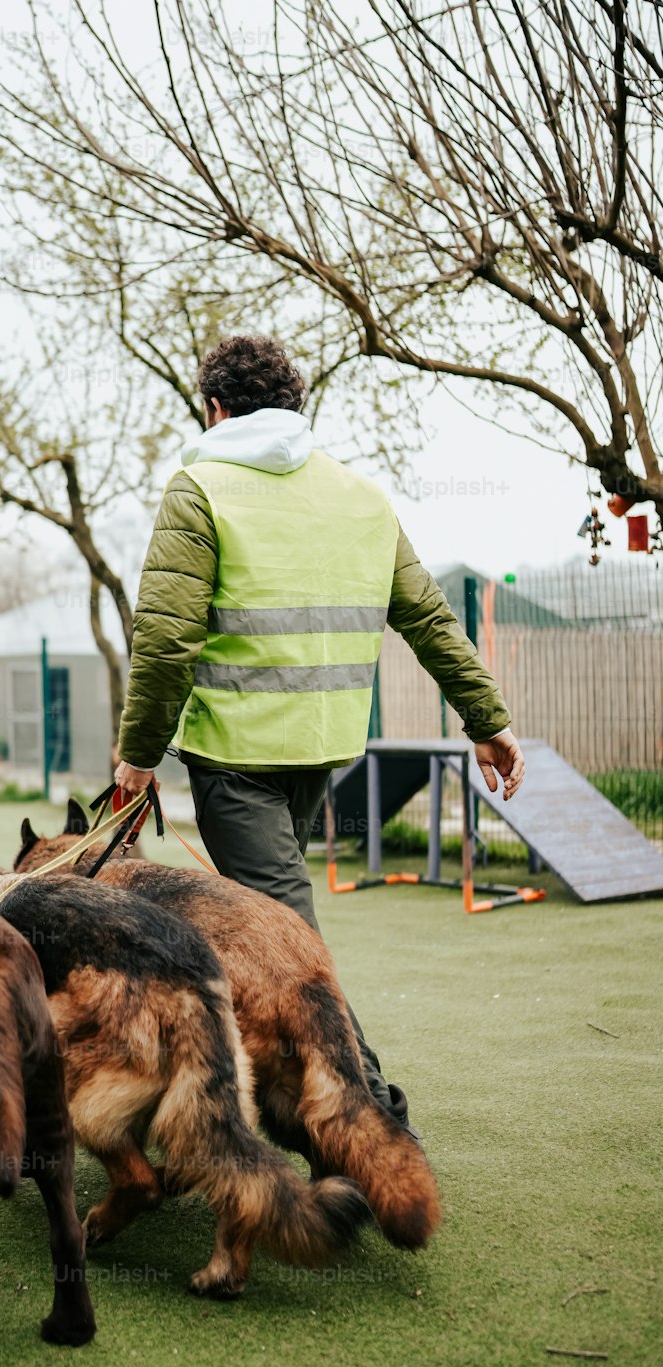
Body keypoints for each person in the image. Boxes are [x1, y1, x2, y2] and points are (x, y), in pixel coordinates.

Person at [113, 335, 524, 1137]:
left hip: (235, 758)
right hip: (323, 750)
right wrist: (488, 721)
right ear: (296, 409)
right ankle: (271, 1099)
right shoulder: (362, 497)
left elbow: (165, 640)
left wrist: (136, 756)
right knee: (278, 933)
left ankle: (369, 1117)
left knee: (287, 946)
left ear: (214, 408)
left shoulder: (201, 488)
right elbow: (430, 619)